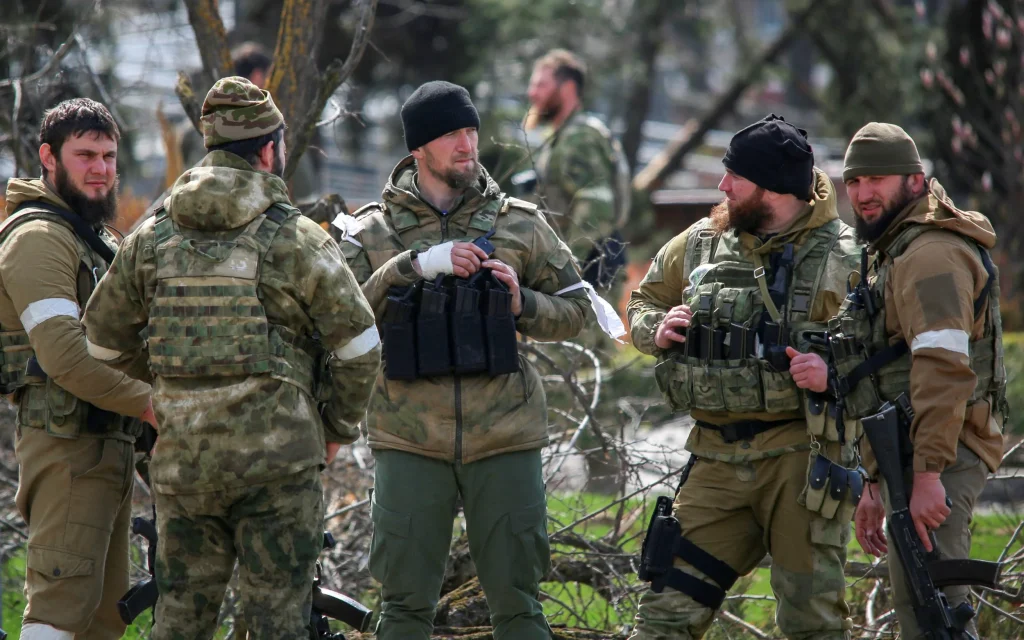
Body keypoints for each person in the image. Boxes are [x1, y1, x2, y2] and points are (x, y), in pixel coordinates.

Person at [81, 76, 380, 639]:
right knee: (276, 623)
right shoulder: (296, 238)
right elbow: (360, 347)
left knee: (180, 622)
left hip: (183, 465)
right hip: (280, 468)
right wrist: (334, 428)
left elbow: (99, 342)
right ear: (270, 150)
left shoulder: (152, 236)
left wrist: (165, 399)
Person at [333, 80, 591, 639]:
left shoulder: (519, 222)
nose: (467, 143)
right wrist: (414, 266)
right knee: (402, 610)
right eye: (452, 133)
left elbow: (577, 310)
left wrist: (524, 302)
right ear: (419, 148)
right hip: (408, 439)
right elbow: (338, 318)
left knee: (519, 607)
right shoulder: (370, 230)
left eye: (471, 130)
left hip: (504, 436)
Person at [627, 114, 861, 640]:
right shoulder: (702, 241)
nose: (721, 185)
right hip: (714, 461)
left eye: (734, 175)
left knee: (812, 623)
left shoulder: (845, 257)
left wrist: (833, 371)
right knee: (664, 614)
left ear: (773, 187)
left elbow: (887, 355)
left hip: (801, 462)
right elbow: (643, 299)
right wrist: (654, 328)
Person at [837, 123, 1004, 640]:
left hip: (942, 454)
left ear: (913, 180)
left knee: (940, 615)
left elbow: (944, 367)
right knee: (918, 612)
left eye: (878, 179)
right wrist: (874, 481)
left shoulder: (930, 254)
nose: (864, 194)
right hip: (909, 456)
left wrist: (929, 472)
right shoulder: (895, 247)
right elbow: (887, 370)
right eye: (854, 182)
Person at [0, 98, 156, 640]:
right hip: (67, 450)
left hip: (107, 447)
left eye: (109, 157)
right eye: (85, 155)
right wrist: (152, 405)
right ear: (49, 157)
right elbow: (63, 355)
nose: (101, 169)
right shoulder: (38, 239)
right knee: (58, 615)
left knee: (103, 621)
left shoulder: (95, 239)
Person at [522, 49, 632, 293]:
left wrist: (566, 272)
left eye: (541, 84)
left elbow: (595, 205)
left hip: (588, 277)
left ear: (567, 88)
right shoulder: (564, 136)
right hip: (581, 274)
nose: (532, 93)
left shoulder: (579, 138)